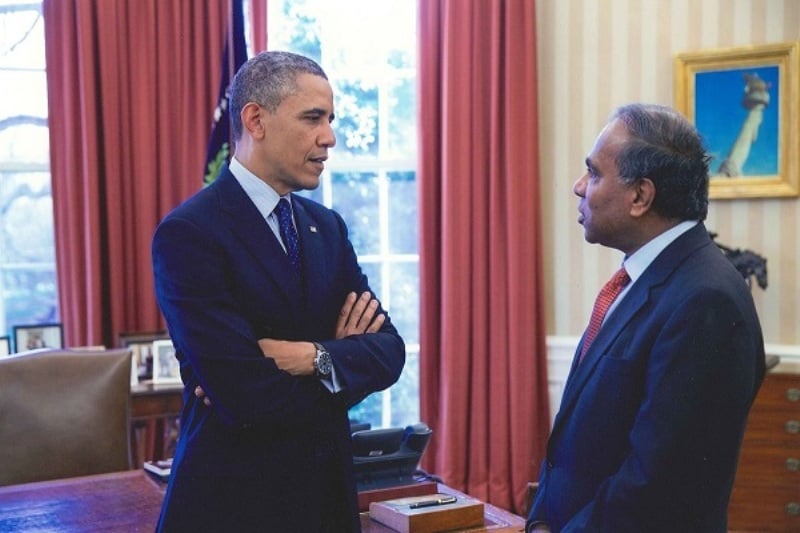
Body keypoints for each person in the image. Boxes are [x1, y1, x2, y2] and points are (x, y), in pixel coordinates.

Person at [151, 51, 405, 532]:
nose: (329, 137)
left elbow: (389, 352)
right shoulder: (190, 234)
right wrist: (346, 360)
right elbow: (245, 398)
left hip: (326, 505)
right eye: (313, 118)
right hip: (232, 509)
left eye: (330, 120)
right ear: (255, 119)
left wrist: (313, 358)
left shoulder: (327, 228)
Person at [527, 103, 765, 532]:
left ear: (641, 196)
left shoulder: (705, 300)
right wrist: (542, 519)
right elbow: (574, 446)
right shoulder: (643, 278)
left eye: (595, 173)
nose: (579, 187)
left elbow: (656, 482)